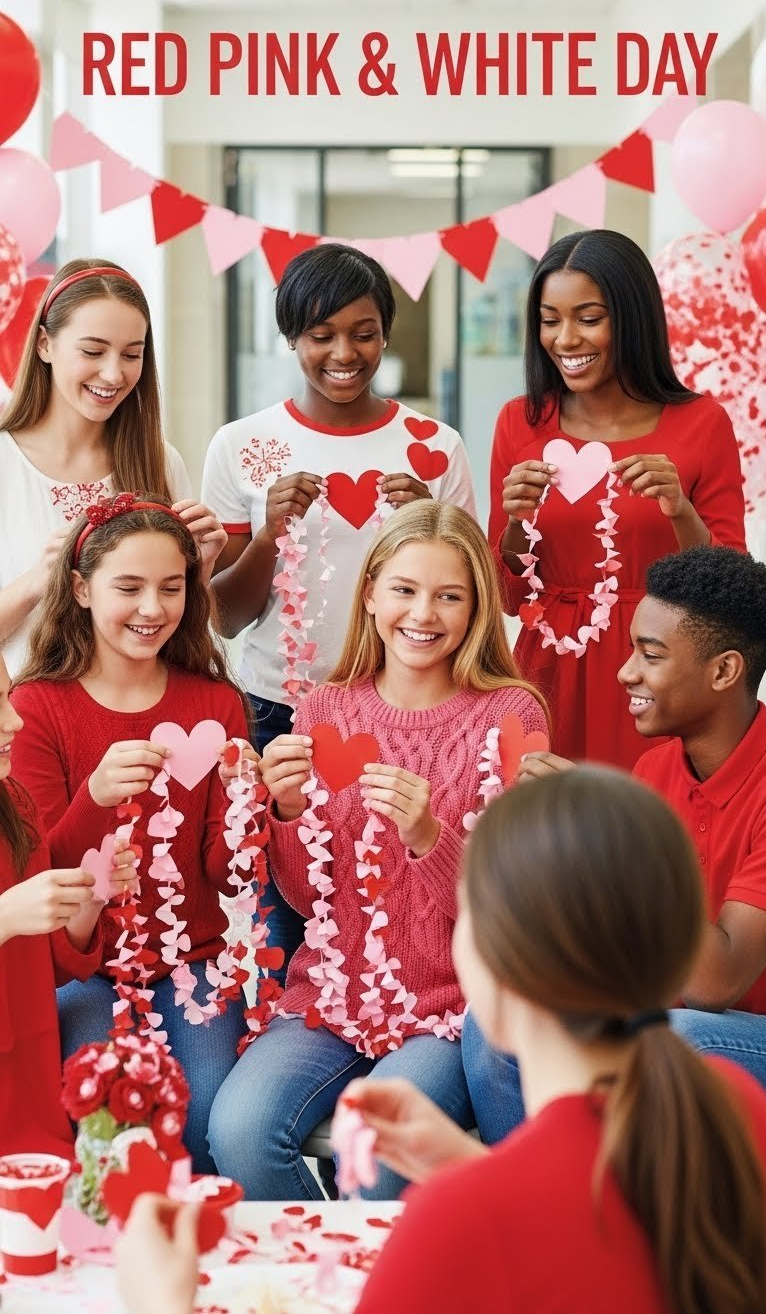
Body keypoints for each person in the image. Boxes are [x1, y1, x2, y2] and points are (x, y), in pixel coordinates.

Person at [116, 771, 766, 1314]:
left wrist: (159, 1305)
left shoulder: (457, 1223)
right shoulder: (735, 1107)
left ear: (497, 963)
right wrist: (466, 1162)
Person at [207, 500, 548, 1201]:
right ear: (370, 593)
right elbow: (307, 899)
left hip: (449, 1009)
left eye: (449, 595)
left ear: (477, 606)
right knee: (238, 1129)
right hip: (328, 1000)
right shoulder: (325, 708)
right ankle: (325, 1282)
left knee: (379, 1149)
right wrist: (289, 812)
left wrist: (431, 836)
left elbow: (515, 909)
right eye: (404, 589)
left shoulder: (512, 713)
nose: (424, 613)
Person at [202, 242, 476, 970]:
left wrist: (428, 523)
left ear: (386, 332)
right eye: (321, 336)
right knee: (287, 903)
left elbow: (473, 590)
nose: (343, 353)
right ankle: (298, 1042)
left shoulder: (434, 448)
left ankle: (416, 1030)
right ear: (292, 338)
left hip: (407, 707)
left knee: (401, 894)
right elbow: (224, 616)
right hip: (279, 712)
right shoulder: (243, 446)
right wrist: (268, 534)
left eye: (363, 332)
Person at [471, 544, 766, 1143]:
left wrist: (610, 836)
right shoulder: (655, 770)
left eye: (650, 655)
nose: (625, 672)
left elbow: (718, 982)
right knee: (498, 1017)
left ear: (724, 671)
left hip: (739, 1029)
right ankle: (547, 1198)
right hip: (658, 1003)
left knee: (673, 1037)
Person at [9, 496, 252, 1174]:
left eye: (172, 588)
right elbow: (39, 874)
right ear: (82, 589)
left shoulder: (214, 702)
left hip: (192, 964)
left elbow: (227, 874)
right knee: (101, 1117)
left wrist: (251, 809)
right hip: (83, 972)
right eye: (129, 587)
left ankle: (198, 1256)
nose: (152, 607)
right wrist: (94, 797)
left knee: (203, 1111)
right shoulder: (38, 707)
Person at [489, 228, 746, 771]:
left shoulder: (702, 424)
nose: (565, 339)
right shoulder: (520, 421)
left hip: (660, 680)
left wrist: (680, 510)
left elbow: (730, 597)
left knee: (648, 841)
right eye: (549, 320)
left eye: (588, 318)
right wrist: (516, 524)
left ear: (632, 317)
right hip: (548, 675)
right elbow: (509, 598)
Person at [0, 259, 226, 679]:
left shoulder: (159, 462)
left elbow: (186, 636)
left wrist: (200, 572)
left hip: (138, 726)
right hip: (19, 727)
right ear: (45, 344)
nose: (113, 373)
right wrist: (38, 582)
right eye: (92, 351)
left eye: (131, 355)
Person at [0, 651, 136, 1158]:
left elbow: (50, 965)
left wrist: (89, 903)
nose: (14, 719)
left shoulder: (13, 803)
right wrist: (6, 918)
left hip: (31, 1101)